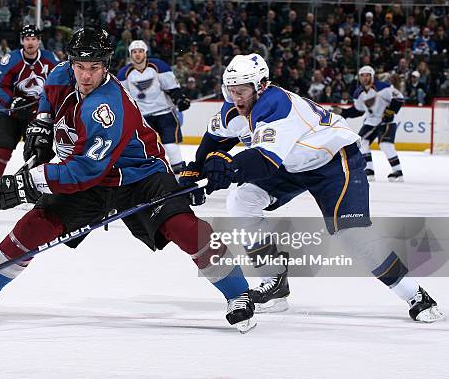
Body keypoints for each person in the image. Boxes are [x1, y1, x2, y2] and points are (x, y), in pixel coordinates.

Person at [0, 28, 256, 333]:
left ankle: (238, 294)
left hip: (139, 175)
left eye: (95, 68)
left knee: (184, 228)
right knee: (34, 226)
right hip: (94, 177)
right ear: (71, 62)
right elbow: (49, 104)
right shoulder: (61, 74)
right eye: (80, 67)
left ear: (107, 66)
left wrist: (27, 183)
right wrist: (42, 125)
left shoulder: (106, 107)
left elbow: (84, 171)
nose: (86, 76)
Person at [179, 54, 443, 322]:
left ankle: (415, 294)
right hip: (292, 164)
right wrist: (194, 171)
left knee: (351, 234)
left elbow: (264, 162)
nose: (236, 97)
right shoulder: (234, 108)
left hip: (334, 161)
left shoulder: (275, 104)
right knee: (241, 201)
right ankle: (275, 283)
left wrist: (227, 169)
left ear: (261, 86)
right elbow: (214, 140)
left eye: (243, 90)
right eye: (231, 90)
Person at [0, 25, 60, 199]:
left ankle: (37, 190)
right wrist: (12, 101)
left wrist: (45, 105)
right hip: (10, 114)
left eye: (33, 38)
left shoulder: (50, 60)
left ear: (39, 41)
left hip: (36, 116)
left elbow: (59, 84)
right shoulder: (11, 59)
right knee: (2, 150)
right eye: (27, 38)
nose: (30, 42)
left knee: (37, 153)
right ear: (21, 41)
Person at [117, 40, 191, 173]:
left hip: (164, 113)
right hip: (141, 118)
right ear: (130, 55)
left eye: (140, 51)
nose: (137, 54)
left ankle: (180, 175)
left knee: (170, 146)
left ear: (145, 53)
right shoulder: (124, 73)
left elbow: (172, 88)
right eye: (134, 52)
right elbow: (122, 98)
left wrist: (180, 99)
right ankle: (148, 175)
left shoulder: (159, 66)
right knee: (143, 148)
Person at [332, 66, 405, 182]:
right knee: (362, 142)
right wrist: (344, 112)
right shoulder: (358, 93)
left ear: (372, 76)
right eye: (362, 75)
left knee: (385, 144)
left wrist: (390, 112)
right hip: (371, 121)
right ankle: (369, 170)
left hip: (388, 121)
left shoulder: (382, 87)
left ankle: (398, 171)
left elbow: (399, 98)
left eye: (367, 75)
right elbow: (358, 111)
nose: (365, 78)